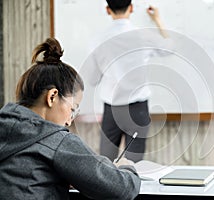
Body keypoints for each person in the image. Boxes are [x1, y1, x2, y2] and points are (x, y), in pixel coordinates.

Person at [0, 38, 140, 200]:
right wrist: (126, 169)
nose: (69, 121)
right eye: (72, 109)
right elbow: (121, 189)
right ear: (52, 96)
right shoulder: (55, 140)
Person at [81, 0, 172, 163]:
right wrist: (157, 19)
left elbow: (92, 80)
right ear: (131, 8)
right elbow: (169, 47)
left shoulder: (98, 40)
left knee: (105, 165)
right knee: (133, 167)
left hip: (112, 110)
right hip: (138, 110)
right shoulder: (144, 35)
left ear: (108, 10)